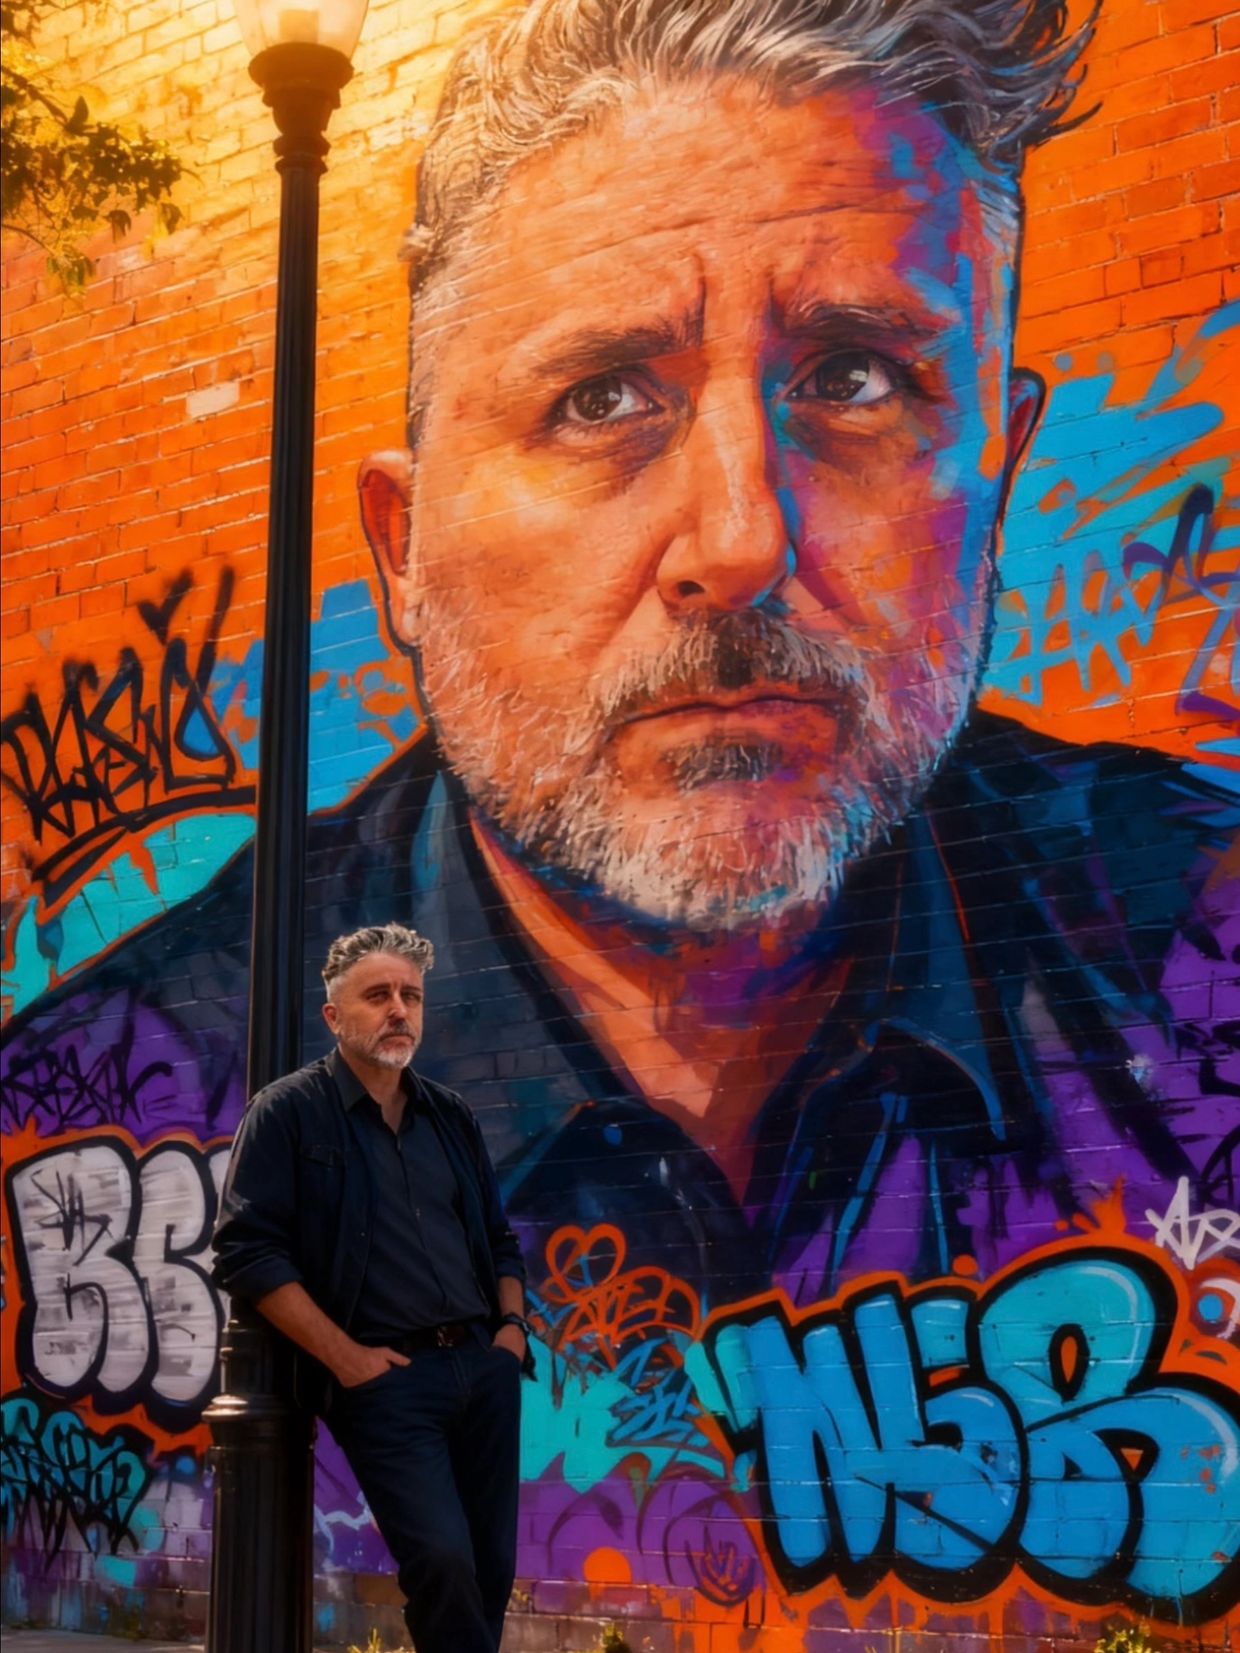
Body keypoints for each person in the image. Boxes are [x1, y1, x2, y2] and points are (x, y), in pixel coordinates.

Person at [3, 0, 1237, 1620]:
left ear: (996, 476)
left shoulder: (1203, 965)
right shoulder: (111, 1109)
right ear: (400, 551)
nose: (738, 537)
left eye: (859, 377)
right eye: (603, 397)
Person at [211, 923, 531, 1653]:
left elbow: (499, 1237)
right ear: (334, 1015)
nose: (399, 1011)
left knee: (489, 1567)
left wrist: (511, 1336)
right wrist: (347, 1358)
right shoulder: (288, 1112)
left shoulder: (448, 1115)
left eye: (411, 996)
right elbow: (246, 1252)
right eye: (379, 994)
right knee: (442, 1559)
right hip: (387, 1381)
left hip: (483, 1367)